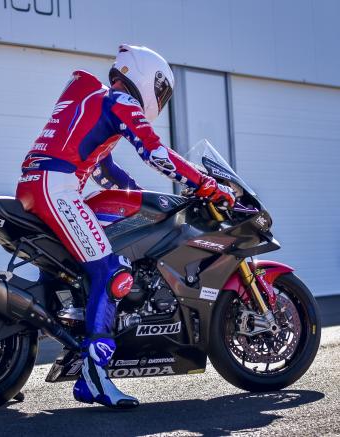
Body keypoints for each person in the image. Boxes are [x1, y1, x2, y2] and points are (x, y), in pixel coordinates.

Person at [15, 44, 235, 409]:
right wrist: (205, 183)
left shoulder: (99, 102)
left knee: (70, 273)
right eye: (160, 88)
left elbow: (103, 168)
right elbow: (155, 152)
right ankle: (95, 378)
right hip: (57, 187)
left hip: (40, 184)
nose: (160, 97)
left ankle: (52, 347)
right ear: (147, 78)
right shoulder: (120, 100)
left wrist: (134, 192)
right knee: (113, 272)